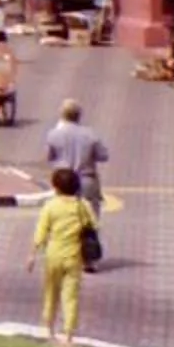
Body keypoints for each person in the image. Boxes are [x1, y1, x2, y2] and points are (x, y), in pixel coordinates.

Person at [23, 166, 95, 347]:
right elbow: (93, 224)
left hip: (53, 254)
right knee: (71, 296)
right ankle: (68, 333)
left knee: (51, 292)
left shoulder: (51, 206)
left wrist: (32, 255)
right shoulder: (82, 206)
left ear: (55, 187)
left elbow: (41, 231)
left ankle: (49, 328)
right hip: (74, 255)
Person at [41, 99, 109, 264]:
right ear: (79, 116)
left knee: (63, 220)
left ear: (62, 115)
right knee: (89, 220)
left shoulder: (53, 134)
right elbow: (103, 155)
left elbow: (48, 157)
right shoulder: (90, 134)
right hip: (86, 180)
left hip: (64, 181)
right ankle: (89, 258)